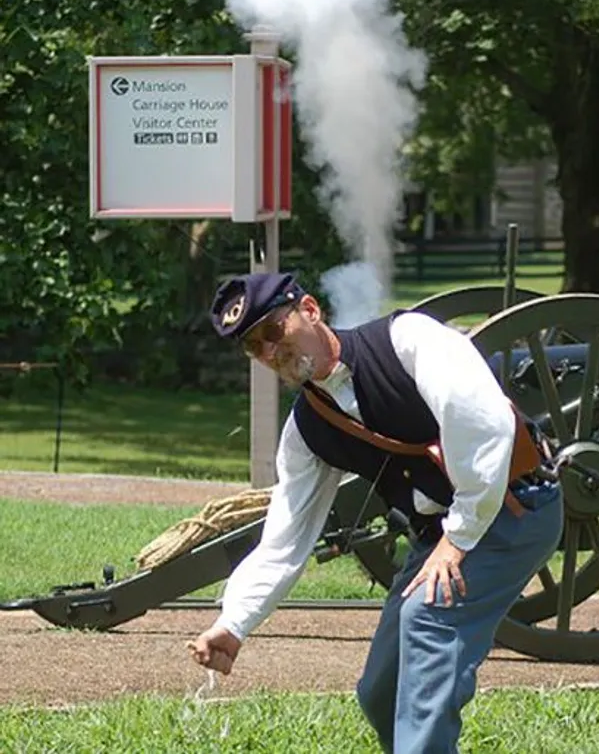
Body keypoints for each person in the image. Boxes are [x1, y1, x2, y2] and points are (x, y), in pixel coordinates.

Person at [187, 271, 564, 753]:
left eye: (272, 332)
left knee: (427, 620)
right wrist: (233, 622)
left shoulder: (408, 339)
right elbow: (284, 540)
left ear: (309, 309)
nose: (268, 352)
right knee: (380, 692)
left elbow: (486, 425)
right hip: (440, 537)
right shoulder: (306, 432)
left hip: (513, 508)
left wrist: (458, 538)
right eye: (253, 347)